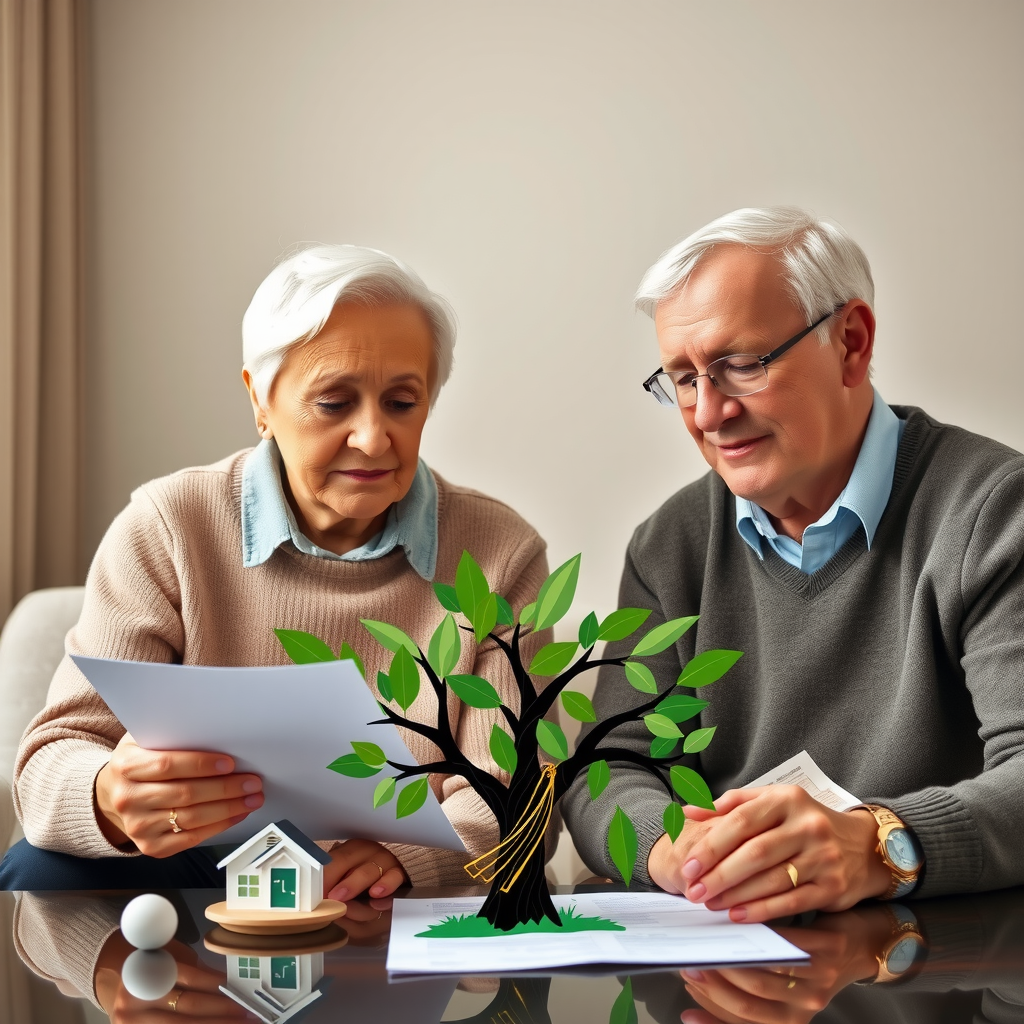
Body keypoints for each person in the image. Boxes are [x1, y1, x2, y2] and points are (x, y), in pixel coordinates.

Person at [2, 244, 550, 895]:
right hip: (196, 862)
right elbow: (51, 762)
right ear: (260, 401)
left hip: (382, 880)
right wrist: (108, 798)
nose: (374, 438)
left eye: (402, 403)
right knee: (38, 868)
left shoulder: (498, 553)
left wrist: (408, 857)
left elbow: (519, 795)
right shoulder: (170, 526)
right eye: (334, 402)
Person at [562, 207, 1024, 922]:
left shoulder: (995, 512)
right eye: (683, 379)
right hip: (729, 955)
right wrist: (675, 846)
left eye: (739, 365)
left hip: (946, 968)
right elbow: (608, 769)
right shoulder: (669, 544)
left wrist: (877, 843)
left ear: (852, 343)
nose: (709, 413)